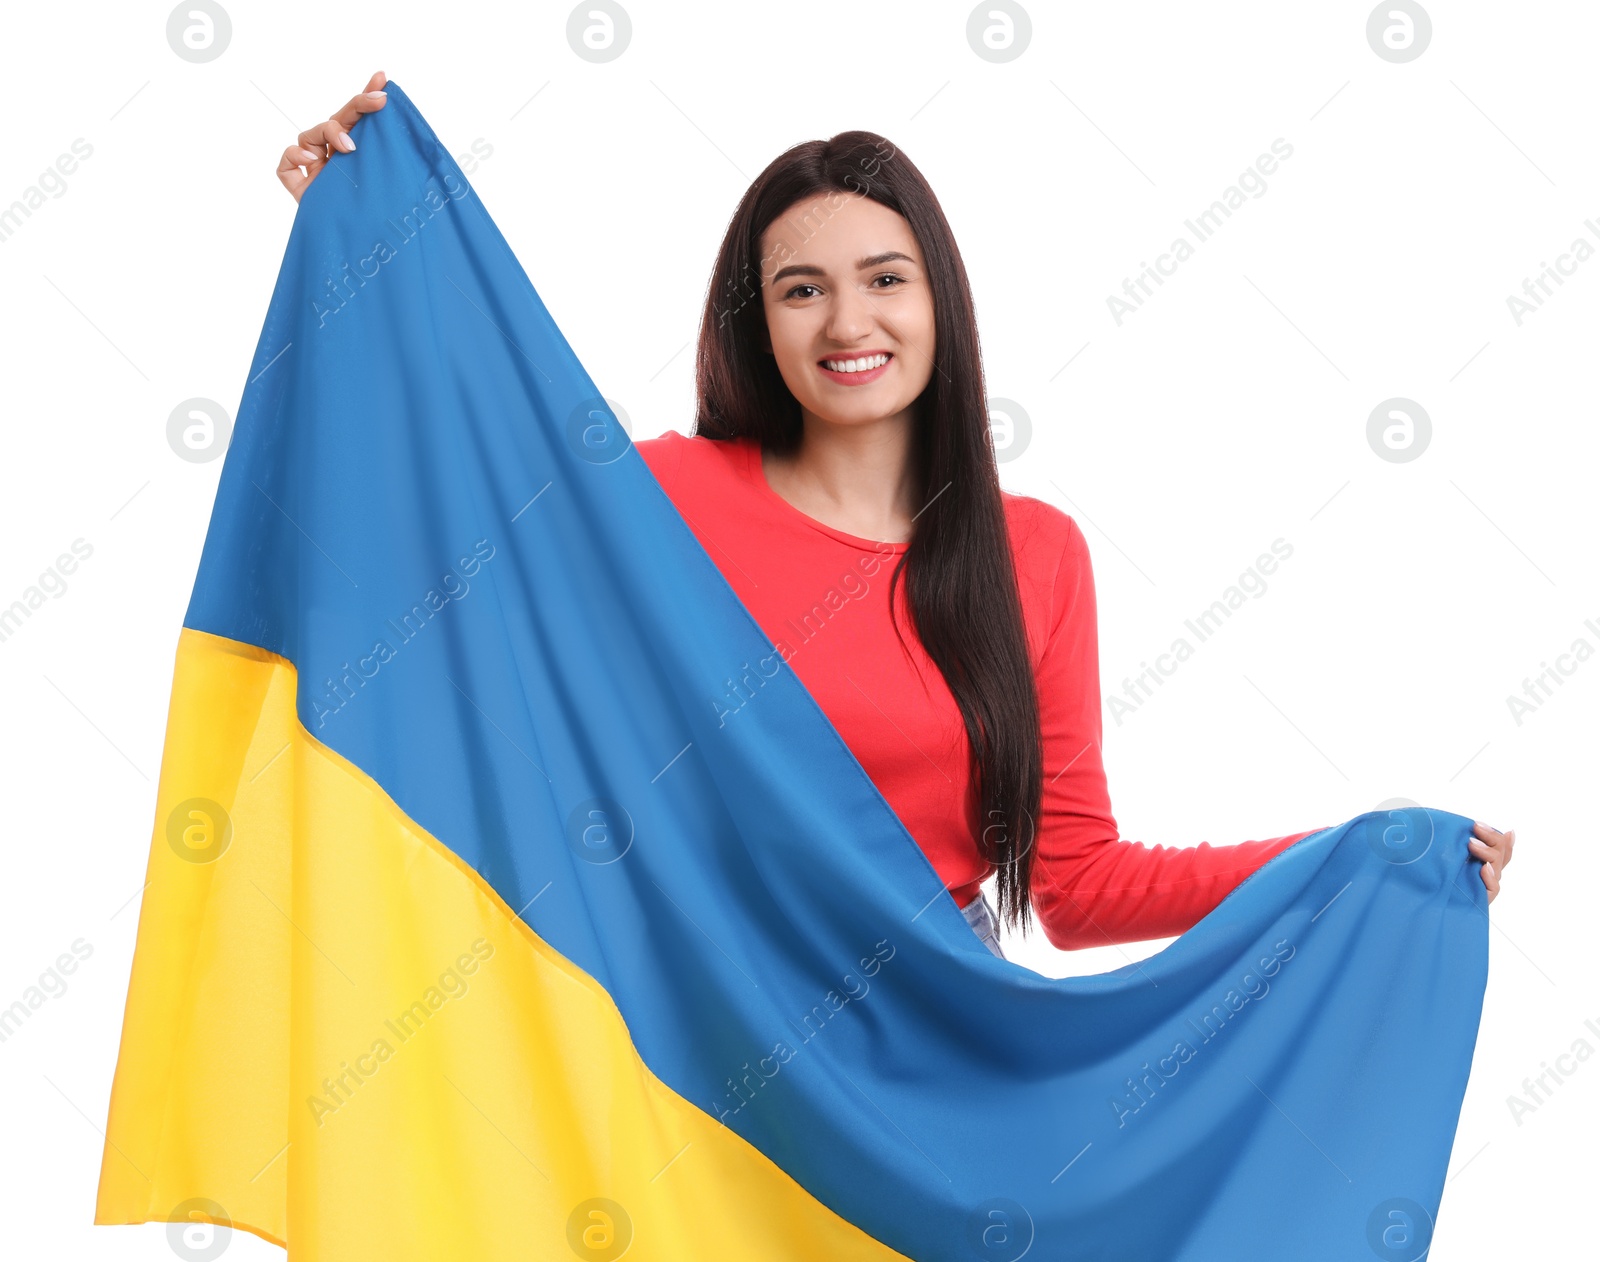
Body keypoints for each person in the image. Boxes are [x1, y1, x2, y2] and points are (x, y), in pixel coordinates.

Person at [278, 72, 1516, 959]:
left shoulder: (1035, 553)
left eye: (884, 279)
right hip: (700, 1031)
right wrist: (357, 250)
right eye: (799, 290)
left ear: (940, 300)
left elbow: (1076, 886)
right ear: (754, 323)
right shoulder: (660, 498)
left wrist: (1356, 858)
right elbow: (438, 513)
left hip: (934, 1042)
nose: (846, 324)